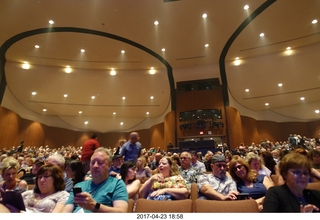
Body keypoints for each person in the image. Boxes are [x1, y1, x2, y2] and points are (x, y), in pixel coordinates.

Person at [62, 147, 128, 213]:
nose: (95, 166)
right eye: (93, 162)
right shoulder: (79, 186)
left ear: (109, 166)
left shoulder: (117, 184)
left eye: (100, 162)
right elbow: (66, 212)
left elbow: (122, 212)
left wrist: (95, 206)